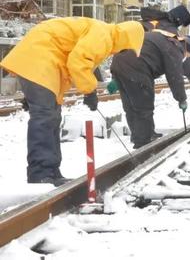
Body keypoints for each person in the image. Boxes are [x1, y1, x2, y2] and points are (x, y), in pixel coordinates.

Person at [0, 18, 144, 186]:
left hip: (40, 62)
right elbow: (78, 62)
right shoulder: (104, 35)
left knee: (52, 117)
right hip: (40, 61)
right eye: (127, 48)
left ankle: (51, 171)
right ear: (126, 38)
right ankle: (40, 173)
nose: (122, 52)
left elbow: (72, 62)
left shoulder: (103, 33)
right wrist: (90, 90)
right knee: (45, 118)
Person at [110, 28, 189, 149]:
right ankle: (143, 144)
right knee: (144, 106)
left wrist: (115, 78)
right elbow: (175, 76)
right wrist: (181, 98)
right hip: (137, 66)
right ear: (185, 48)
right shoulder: (174, 47)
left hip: (118, 62)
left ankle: (142, 135)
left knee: (131, 107)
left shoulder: (161, 39)